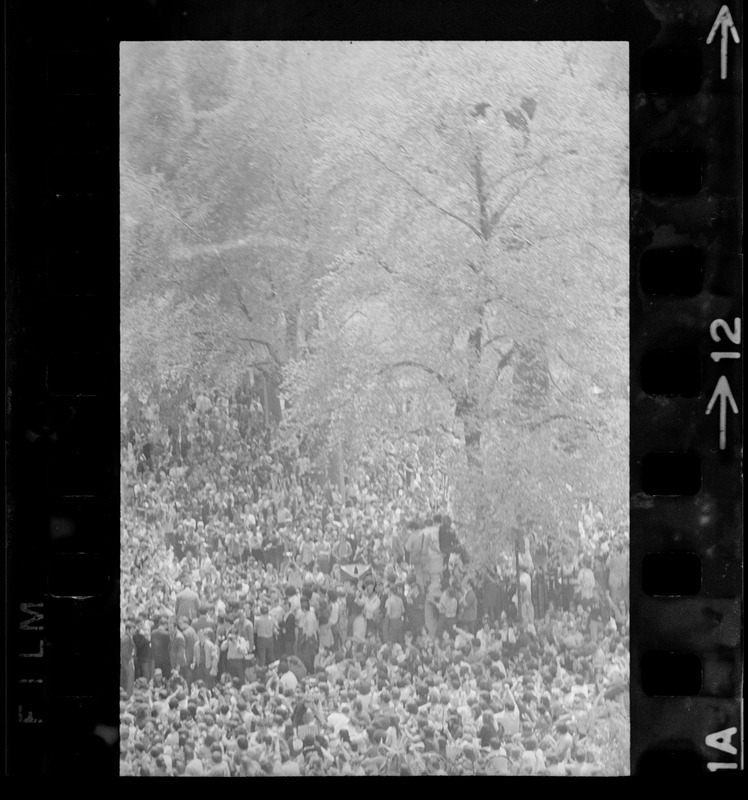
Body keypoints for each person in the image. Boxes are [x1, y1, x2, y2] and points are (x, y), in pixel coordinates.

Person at [120, 622, 136, 696]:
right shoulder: (126, 638)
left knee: (129, 679)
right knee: (129, 679)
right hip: (127, 661)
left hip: (127, 660)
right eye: (133, 629)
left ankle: (128, 694)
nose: (134, 631)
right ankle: (128, 695)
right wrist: (129, 659)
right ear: (128, 629)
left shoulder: (128, 637)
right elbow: (124, 652)